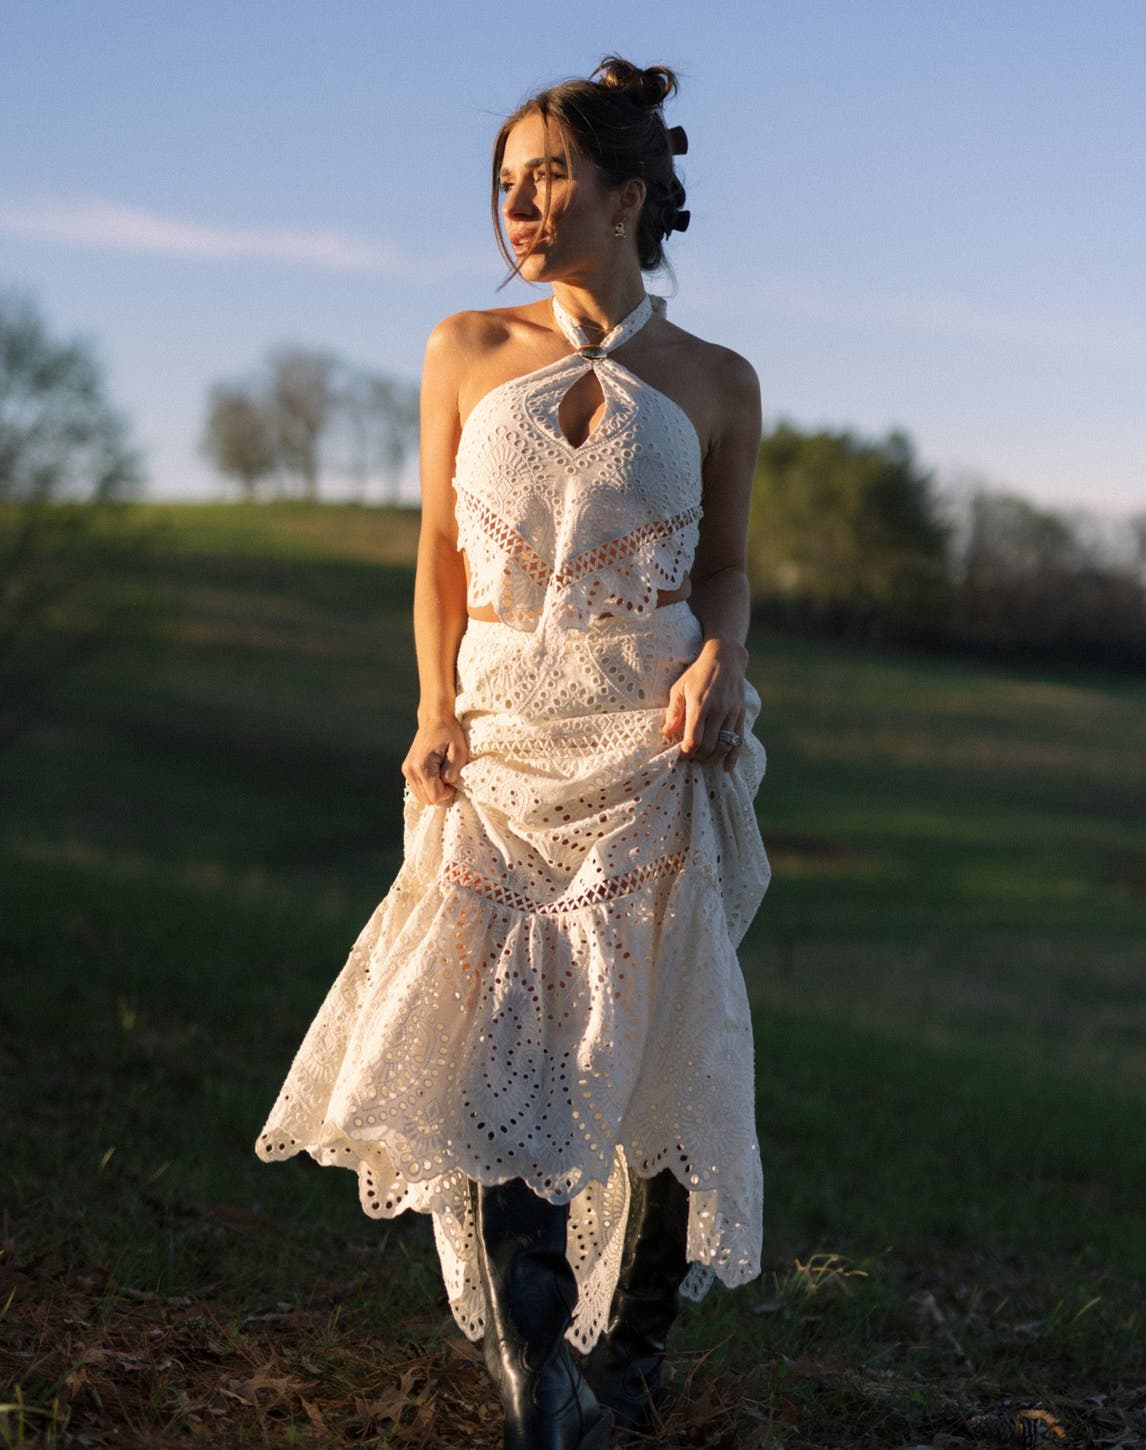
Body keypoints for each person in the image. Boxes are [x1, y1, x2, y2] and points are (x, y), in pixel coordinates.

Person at [257, 56, 771, 1450]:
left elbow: (721, 570)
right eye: (505, 181)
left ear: (628, 191)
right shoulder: (463, 348)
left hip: (652, 741)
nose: (519, 202)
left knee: (654, 1031)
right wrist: (432, 709)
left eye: (548, 174)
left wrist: (722, 656)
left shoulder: (720, 381)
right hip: (498, 735)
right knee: (489, 1038)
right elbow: (433, 546)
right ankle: (535, 1351)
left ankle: (636, 1367)